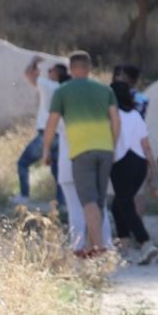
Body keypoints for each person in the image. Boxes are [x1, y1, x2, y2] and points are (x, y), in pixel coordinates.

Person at [42, 51, 119, 257]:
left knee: (88, 201)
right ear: (90, 68)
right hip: (105, 149)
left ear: (71, 69)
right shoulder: (105, 90)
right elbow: (115, 120)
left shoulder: (62, 92)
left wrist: (46, 149)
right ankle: (90, 248)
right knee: (99, 201)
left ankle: (100, 247)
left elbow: (51, 123)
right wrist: (114, 146)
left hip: (82, 151)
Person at [52, 65, 109, 251]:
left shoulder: (64, 113)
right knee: (100, 206)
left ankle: (78, 247)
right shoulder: (95, 112)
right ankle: (104, 243)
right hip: (94, 159)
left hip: (70, 164)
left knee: (77, 208)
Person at [109, 81, 158, 264]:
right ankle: (124, 248)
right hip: (140, 163)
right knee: (118, 205)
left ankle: (145, 242)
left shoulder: (112, 115)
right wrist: (153, 170)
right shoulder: (136, 115)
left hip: (121, 162)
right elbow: (146, 145)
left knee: (124, 203)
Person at [17, 55, 62, 204]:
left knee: (23, 163)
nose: (48, 72)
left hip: (46, 133)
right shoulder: (64, 89)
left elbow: (29, 73)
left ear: (56, 74)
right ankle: (62, 203)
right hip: (61, 136)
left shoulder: (47, 85)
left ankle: (24, 196)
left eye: (51, 70)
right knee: (58, 171)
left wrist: (34, 61)